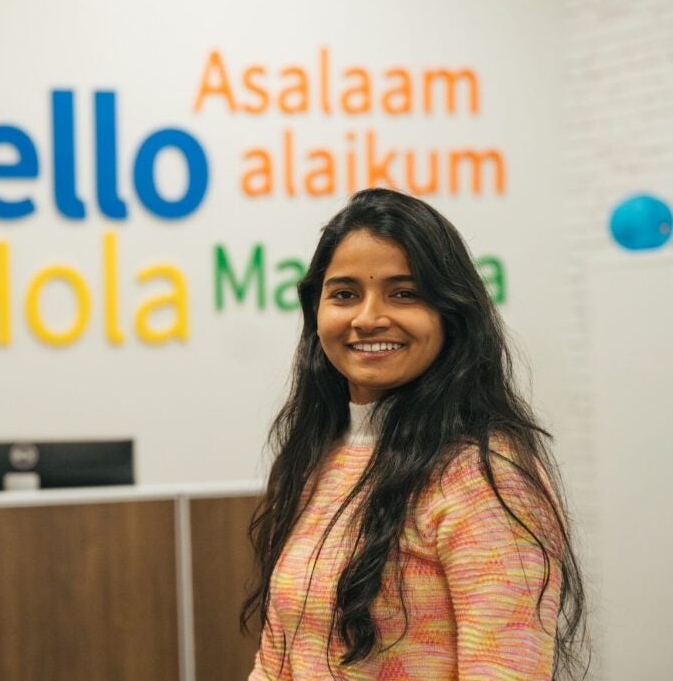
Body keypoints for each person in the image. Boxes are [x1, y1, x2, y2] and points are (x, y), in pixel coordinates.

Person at [243, 188, 587, 680]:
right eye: (344, 294)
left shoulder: (484, 475)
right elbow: (275, 662)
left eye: (404, 293)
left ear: (451, 313)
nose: (368, 318)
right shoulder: (320, 455)